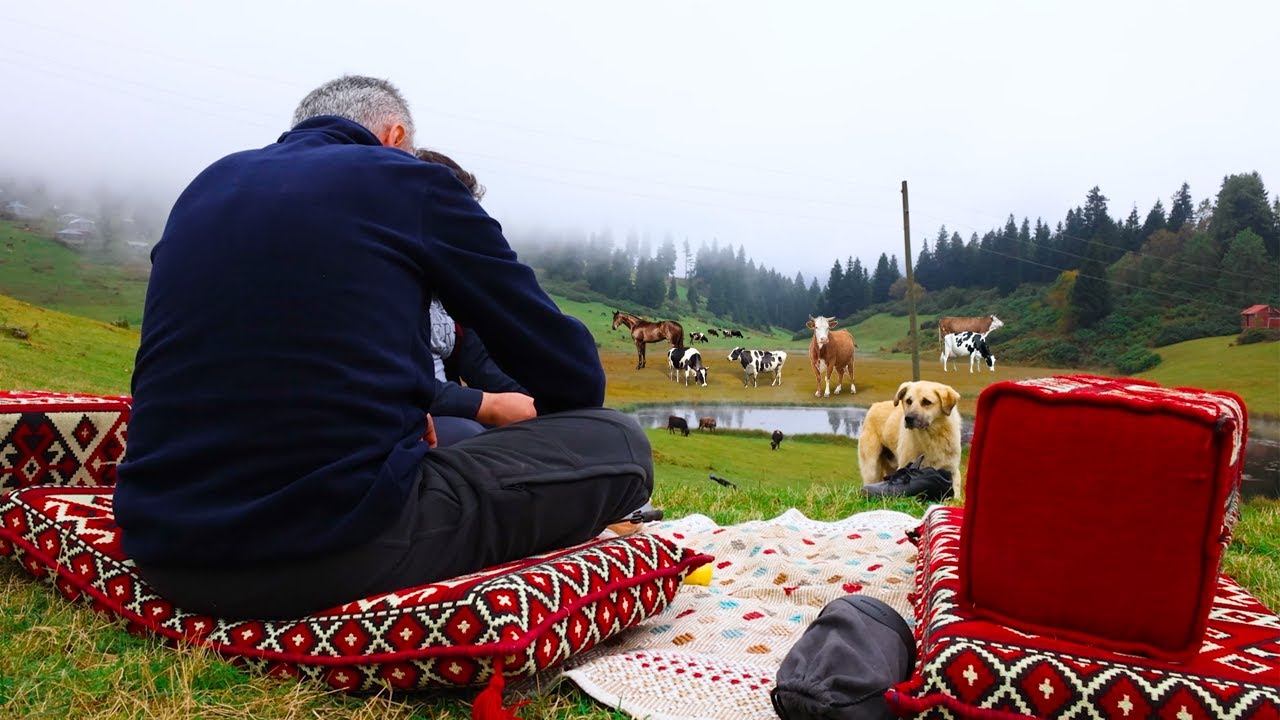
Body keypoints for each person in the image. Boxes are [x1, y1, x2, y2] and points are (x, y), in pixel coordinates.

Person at [114, 75, 654, 620]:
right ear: (396, 137)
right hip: (325, 552)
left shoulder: (205, 186)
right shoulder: (407, 181)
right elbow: (574, 378)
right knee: (620, 442)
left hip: (164, 550)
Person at [413, 147, 535, 445]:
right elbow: (392, 383)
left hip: (449, 415)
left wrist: (538, 402)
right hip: (407, 422)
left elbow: (482, 367)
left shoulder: (451, 289)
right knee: (479, 441)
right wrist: (489, 406)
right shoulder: (383, 283)